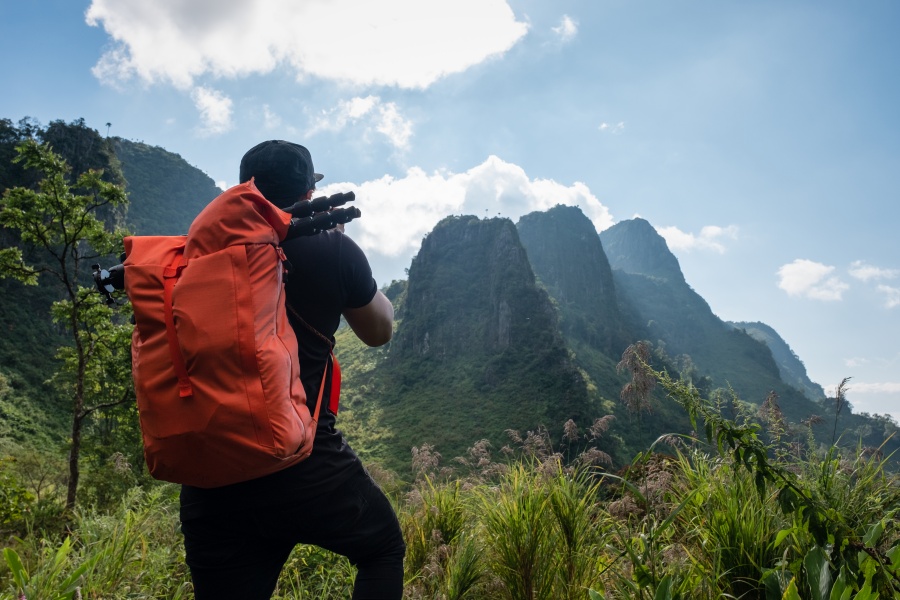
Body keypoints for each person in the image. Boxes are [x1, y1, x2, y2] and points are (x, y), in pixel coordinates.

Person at [178, 140, 405, 599]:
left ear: (243, 192)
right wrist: (341, 252)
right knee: (382, 548)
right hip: (304, 466)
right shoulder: (332, 250)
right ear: (307, 195)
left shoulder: (194, 258)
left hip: (212, 479)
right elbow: (379, 330)